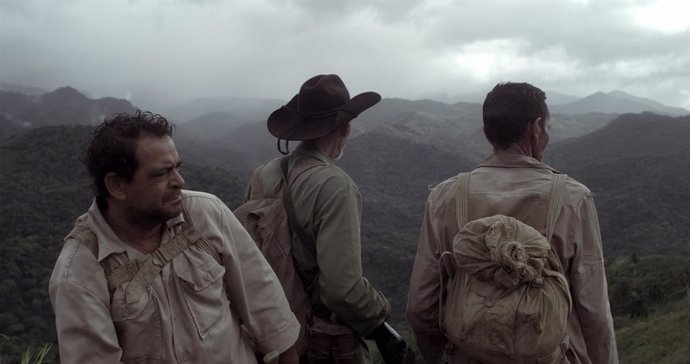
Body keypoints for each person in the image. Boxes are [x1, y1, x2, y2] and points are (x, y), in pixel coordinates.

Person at [49, 111, 300, 363]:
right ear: (117, 185)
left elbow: (264, 302)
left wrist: (286, 353)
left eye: (177, 167)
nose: (179, 181)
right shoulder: (79, 273)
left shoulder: (205, 214)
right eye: (161, 174)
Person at [406, 82, 618, 364]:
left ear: (486, 134)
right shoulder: (572, 199)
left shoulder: (445, 198)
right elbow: (594, 312)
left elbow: (421, 307)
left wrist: (440, 354)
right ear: (537, 128)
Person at [245, 74, 391, 363]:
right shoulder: (336, 186)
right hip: (316, 342)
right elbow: (342, 289)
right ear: (345, 129)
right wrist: (381, 314)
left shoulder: (262, 175)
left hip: (270, 334)